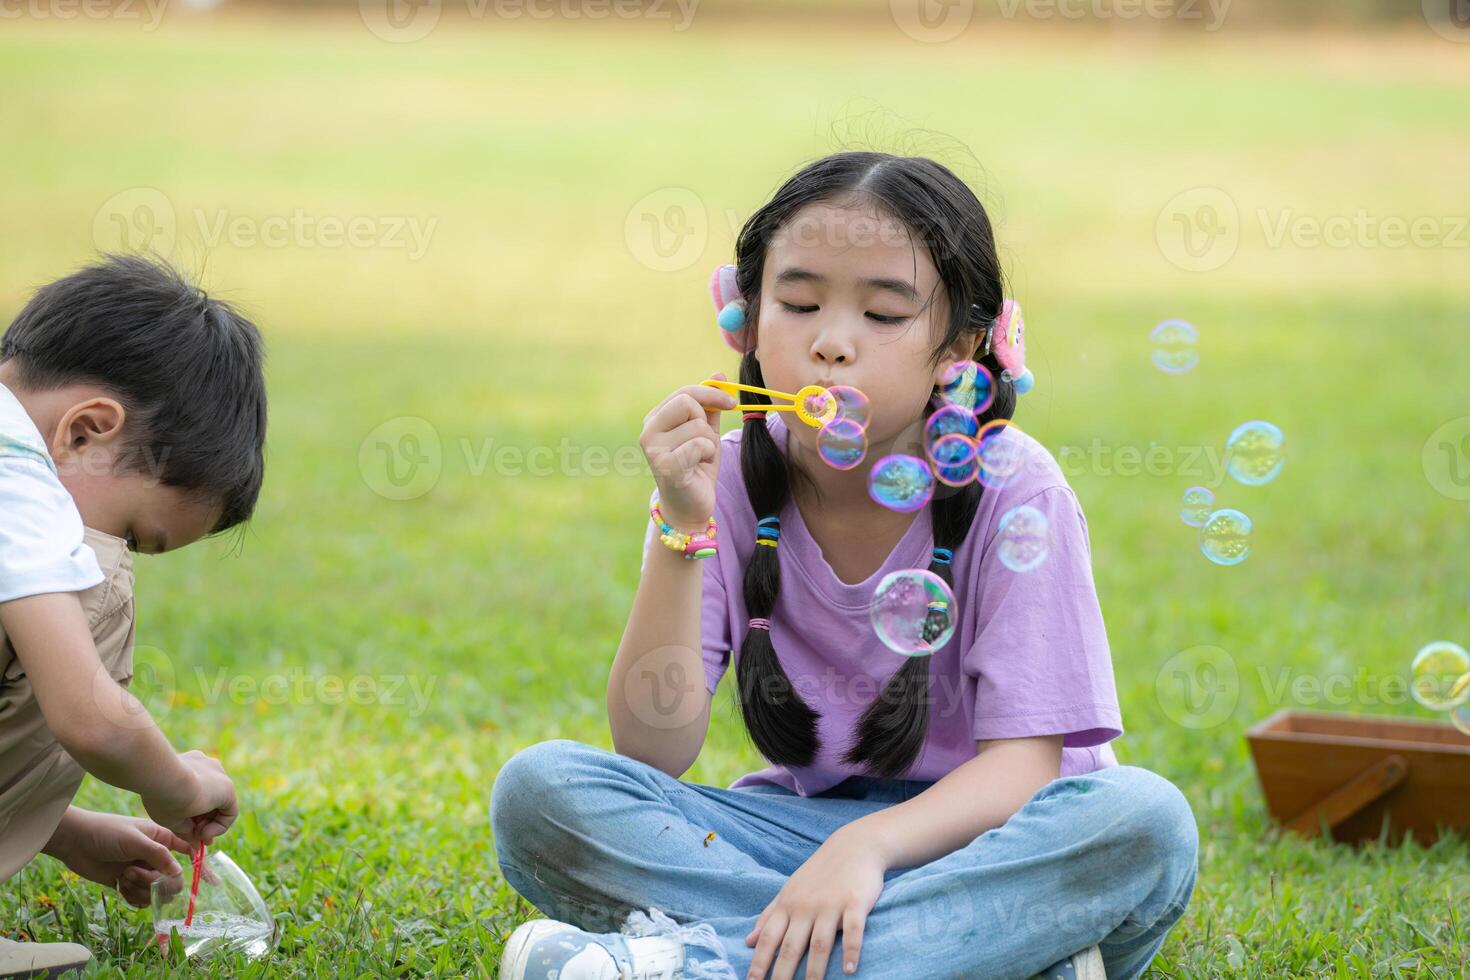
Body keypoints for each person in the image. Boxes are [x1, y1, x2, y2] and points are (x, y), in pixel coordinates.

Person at [492, 151, 1197, 980]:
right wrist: (682, 529)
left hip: (1005, 844)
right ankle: (978, 954)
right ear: (745, 321)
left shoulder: (1017, 485)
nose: (830, 342)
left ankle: (698, 966)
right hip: (805, 838)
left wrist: (870, 847)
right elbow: (651, 750)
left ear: (961, 347)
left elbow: (1025, 769)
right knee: (541, 792)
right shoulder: (719, 481)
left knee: (1145, 821)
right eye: (798, 302)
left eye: (884, 315)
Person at [0, 255, 268, 977]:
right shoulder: (17, 478)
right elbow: (90, 716)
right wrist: (176, 784)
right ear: (85, 431)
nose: (125, 552)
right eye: (135, 534)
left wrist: (66, 831)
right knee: (92, 590)